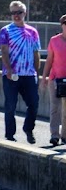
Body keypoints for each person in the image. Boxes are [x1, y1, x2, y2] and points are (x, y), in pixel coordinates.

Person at [0, 0, 41, 143]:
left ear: (25, 13)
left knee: (34, 103)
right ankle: (10, 135)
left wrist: (36, 72)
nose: (16, 15)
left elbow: (36, 53)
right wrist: (8, 69)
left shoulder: (33, 31)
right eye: (13, 13)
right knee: (11, 105)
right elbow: (4, 51)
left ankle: (28, 129)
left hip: (29, 74)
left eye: (19, 12)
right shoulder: (6, 30)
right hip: (11, 74)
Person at [40, 14, 66, 145]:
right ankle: (54, 135)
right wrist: (44, 77)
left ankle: (65, 135)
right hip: (55, 79)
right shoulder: (54, 41)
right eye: (65, 23)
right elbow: (49, 60)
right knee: (55, 107)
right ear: (62, 25)